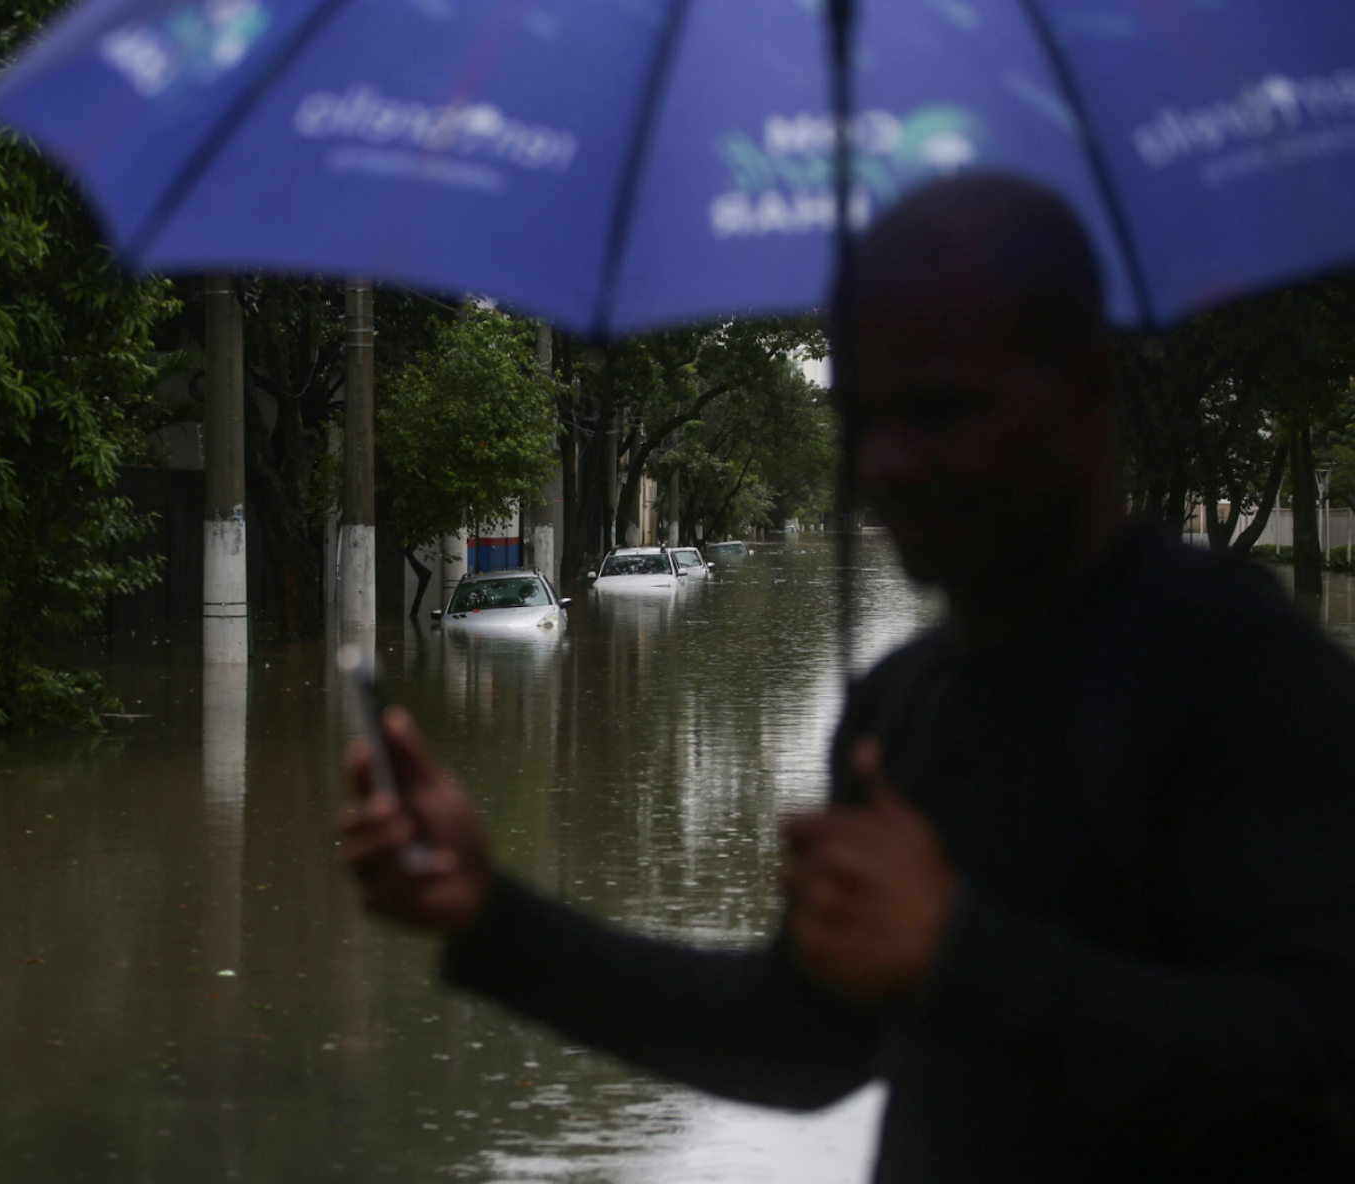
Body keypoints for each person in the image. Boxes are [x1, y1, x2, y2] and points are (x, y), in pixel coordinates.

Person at [342, 174, 1355, 1183]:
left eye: (939, 410)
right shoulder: (901, 704)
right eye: (863, 418)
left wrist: (961, 958)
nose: (888, 463)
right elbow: (802, 1042)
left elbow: (1315, 1044)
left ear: (1085, 389)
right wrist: (490, 913)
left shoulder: (1234, 662)